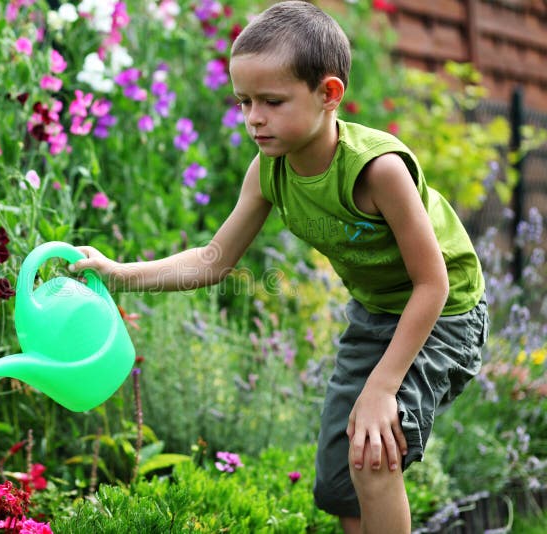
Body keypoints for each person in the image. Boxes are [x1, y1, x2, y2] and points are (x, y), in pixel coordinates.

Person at [69, 2, 488, 532]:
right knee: (341, 482)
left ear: (328, 94)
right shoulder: (270, 169)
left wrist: (382, 389)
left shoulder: (378, 170)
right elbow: (211, 260)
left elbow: (433, 282)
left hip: (445, 314)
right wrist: (118, 272)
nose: (254, 118)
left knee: (373, 452)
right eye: (244, 102)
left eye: (272, 101)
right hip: (377, 314)